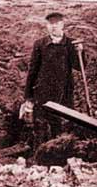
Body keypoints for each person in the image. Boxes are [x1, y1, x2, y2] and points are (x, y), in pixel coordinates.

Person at [21, 12, 83, 149]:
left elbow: (79, 66)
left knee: (62, 124)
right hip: (43, 91)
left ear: (62, 25)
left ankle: (60, 153)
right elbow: (32, 71)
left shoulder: (70, 44)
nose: (53, 27)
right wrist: (28, 96)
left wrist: (80, 52)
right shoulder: (40, 44)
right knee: (41, 124)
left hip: (64, 91)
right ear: (47, 26)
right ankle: (39, 154)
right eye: (50, 24)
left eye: (56, 24)